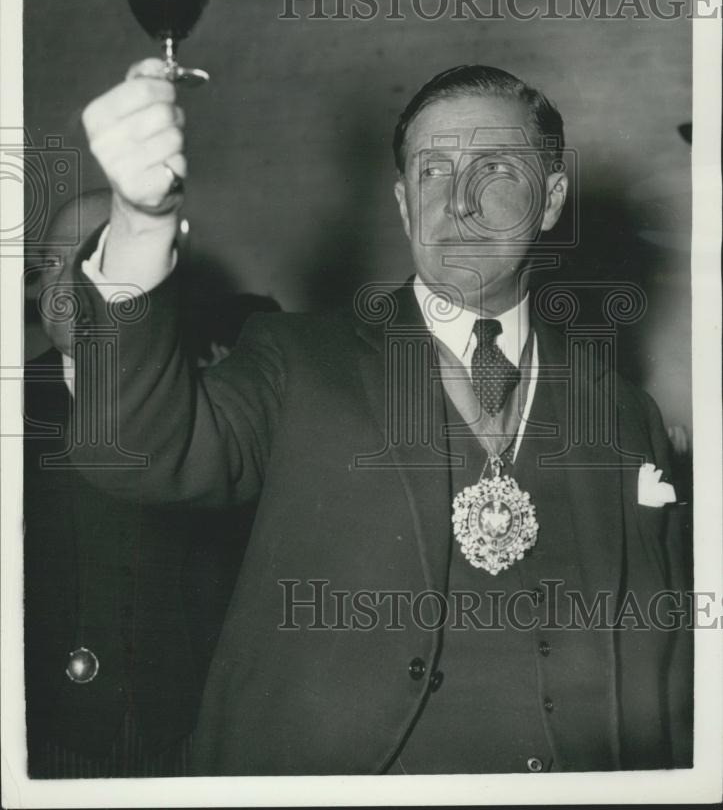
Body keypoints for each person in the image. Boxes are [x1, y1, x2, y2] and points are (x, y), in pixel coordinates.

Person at [68, 59, 693, 775]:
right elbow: (132, 452)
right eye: (431, 172)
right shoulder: (293, 361)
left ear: (550, 201)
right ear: (401, 205)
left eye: (494, 167)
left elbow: (664, 670)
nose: (457, 202)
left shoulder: (622, 415)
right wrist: (140, 222)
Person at [23, 190, 255, 777]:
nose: (71, 282)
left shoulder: (219, 404)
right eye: (54, 262)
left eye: (97, 255)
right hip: (40, 737)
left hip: (186, 734)